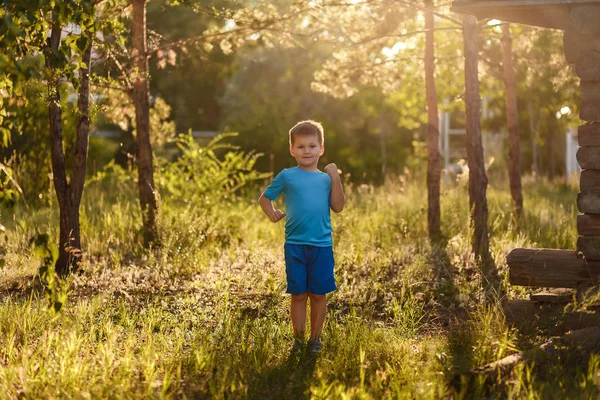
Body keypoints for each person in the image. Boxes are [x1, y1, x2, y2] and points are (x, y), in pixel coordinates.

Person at [258, 120, 345, 354]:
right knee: (298, 294)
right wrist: (272, 213)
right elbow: (265, 198)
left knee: (318, 294)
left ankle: (315, 340)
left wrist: (335, 177)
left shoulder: (327, 180)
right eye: (301, 146)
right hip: (295, 245)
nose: (307, 151)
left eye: (312, 146)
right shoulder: (287, 176)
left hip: (322, 246)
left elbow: (338, 206)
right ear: (292, 150)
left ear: (321, 149)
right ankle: (298, 341)